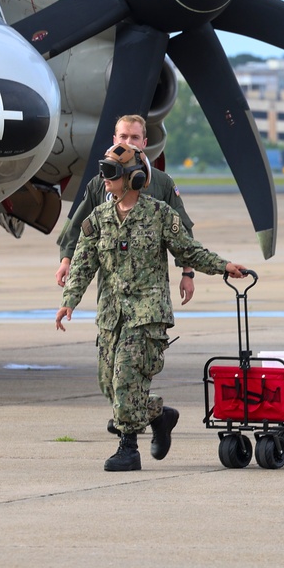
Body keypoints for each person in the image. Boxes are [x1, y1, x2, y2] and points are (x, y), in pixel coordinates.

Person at [55, 143, 249, 471]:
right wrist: (69, 301)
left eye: (111, 173)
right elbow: (84, 262)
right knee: (109, 383)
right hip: (111, 315)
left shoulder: (159, 214)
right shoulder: (99, 218)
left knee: (126, 378)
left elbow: (189, 251)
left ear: (133, 178)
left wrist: (223, 266)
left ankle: (128, 449)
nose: (104, 178)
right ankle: (159, 414)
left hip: (147, 313)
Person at [55, 114, 198, 439]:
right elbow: (79, 226)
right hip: (111, 293)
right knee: (109, 374)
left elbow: (183, 232)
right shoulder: (101, 181)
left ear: (145, 143)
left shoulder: (160, 182)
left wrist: (187, 273)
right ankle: (147, 413)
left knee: (128, 369)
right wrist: (67, 260)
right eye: (123, 136)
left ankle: (127, 434)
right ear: (114, 137)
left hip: (146, 296)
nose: (128, 143)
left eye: (135, 138)